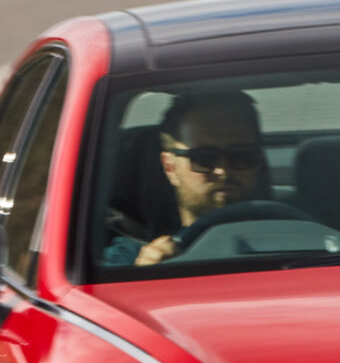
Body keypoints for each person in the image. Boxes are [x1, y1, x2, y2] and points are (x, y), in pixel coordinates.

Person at [103, 90, 266, 267]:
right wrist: (146, 275)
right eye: (203, 158)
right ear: (170, 168)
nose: (223, 171)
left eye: (241, 155)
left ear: (258, 161)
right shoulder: (130, 257)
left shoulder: (290, 240)